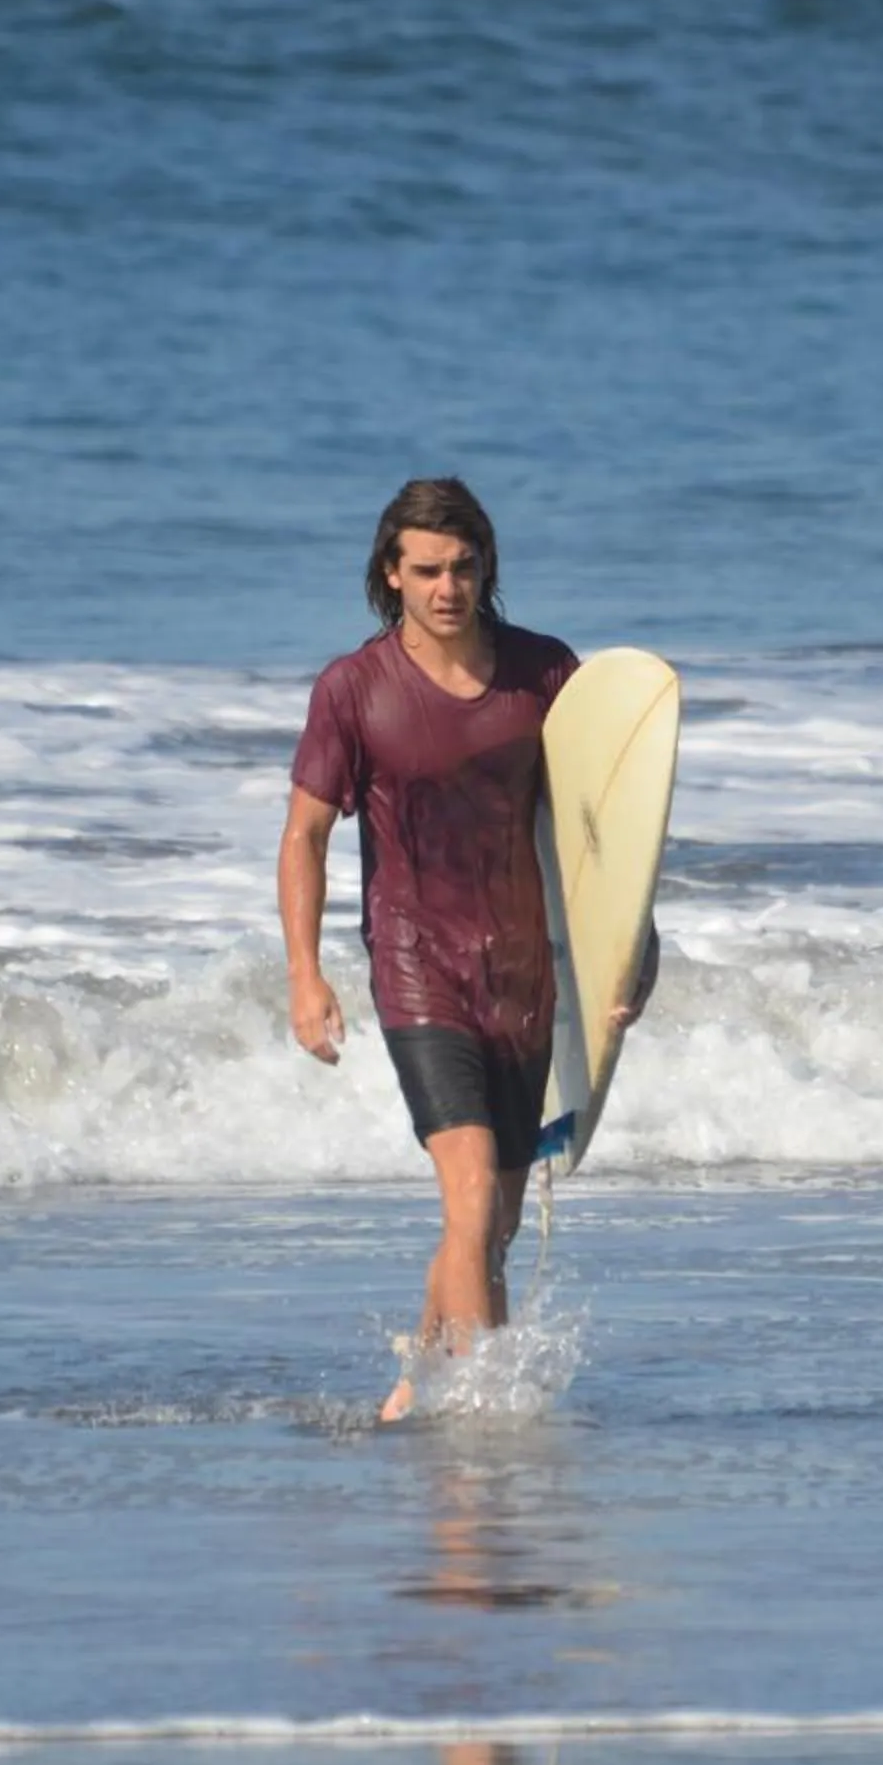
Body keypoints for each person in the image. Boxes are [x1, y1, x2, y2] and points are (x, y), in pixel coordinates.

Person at [279, 477, 647, 1421]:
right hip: (416, 965)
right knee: (473, 1194)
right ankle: (486, 1418)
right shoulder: (353, 690)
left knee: (495, 1228)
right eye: (429, 570)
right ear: (391, 576)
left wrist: (634, 947)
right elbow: (306, 837)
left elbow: (605, 834)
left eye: (466, 567)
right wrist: (306, 974)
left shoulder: (545, 675)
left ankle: (416, 1383)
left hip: (523, 974)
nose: (449, 587)